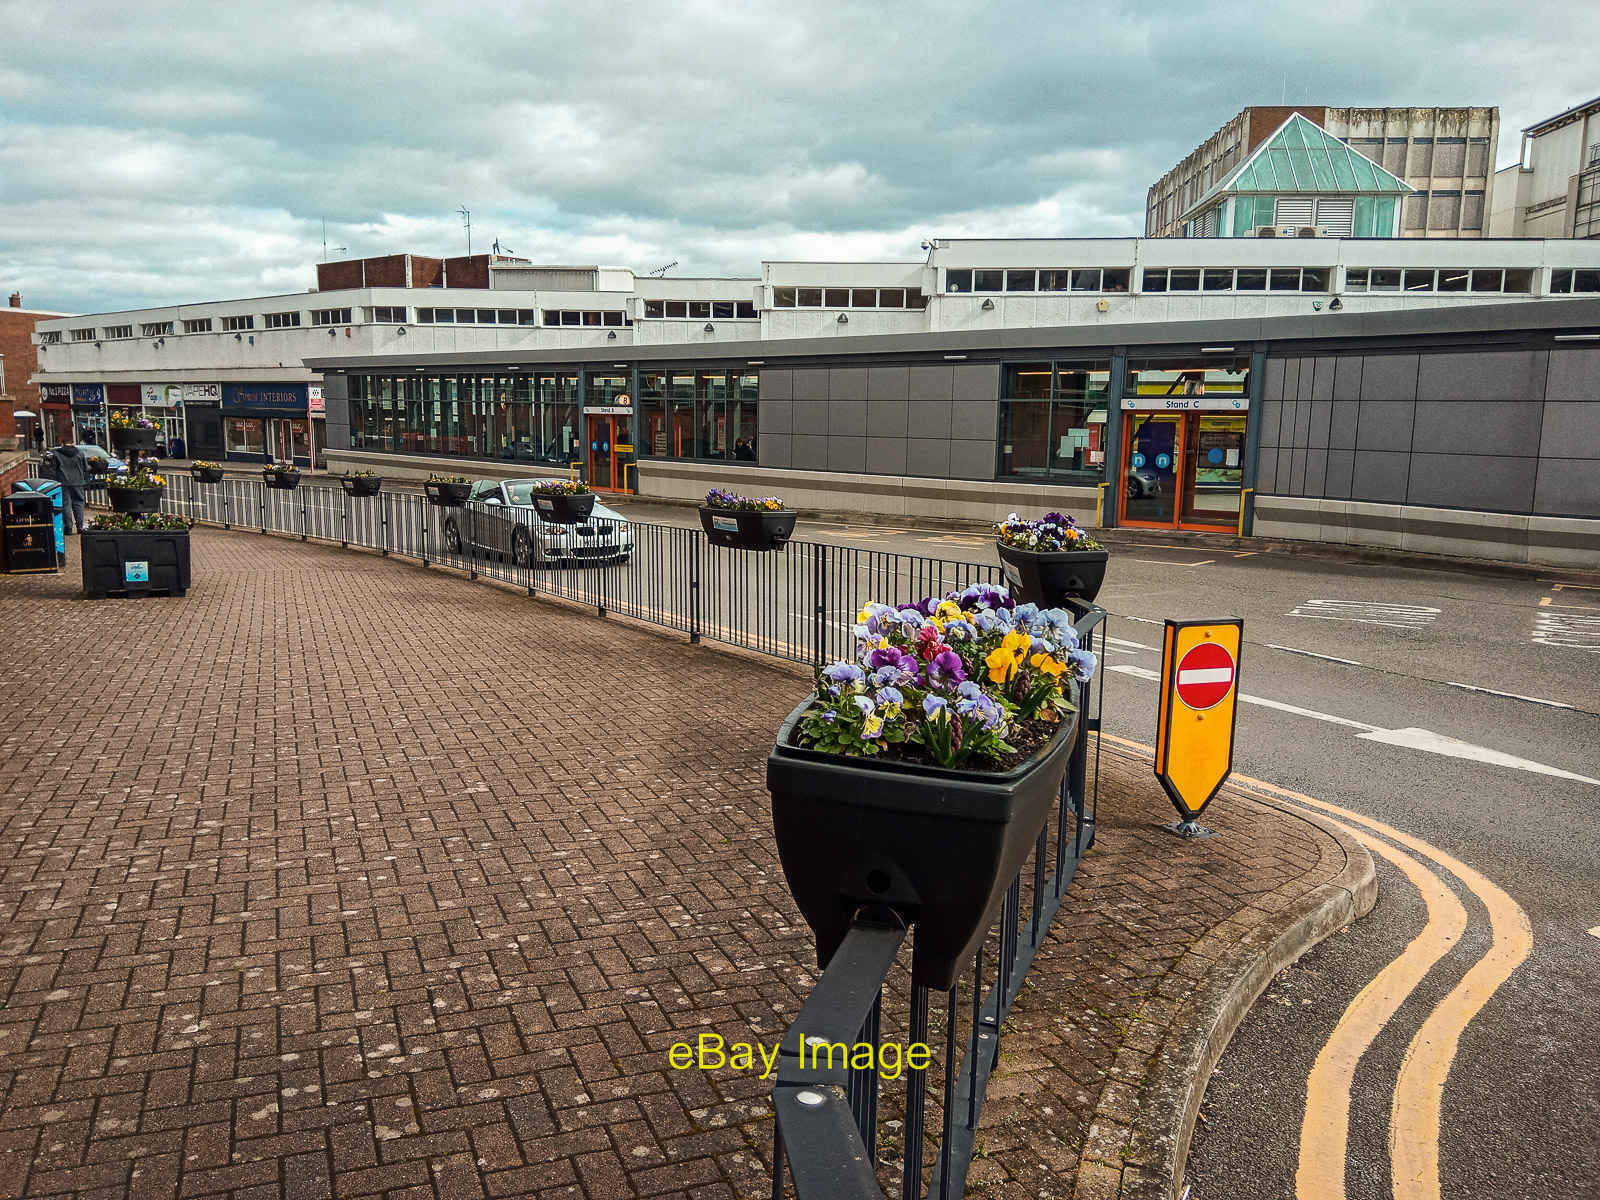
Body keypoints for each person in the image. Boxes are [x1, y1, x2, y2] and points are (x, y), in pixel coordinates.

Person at [50, 442, 90, 534]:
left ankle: (68, 528)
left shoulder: (57, 454)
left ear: (62, 443)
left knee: (66, 504)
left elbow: (53, 468)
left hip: (63, 482)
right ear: (73, 443)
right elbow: (86, 468)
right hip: (78, 482)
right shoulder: (80, 453)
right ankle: (80, 527)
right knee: (78, 503)